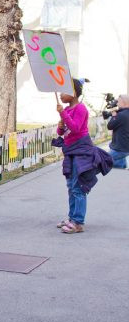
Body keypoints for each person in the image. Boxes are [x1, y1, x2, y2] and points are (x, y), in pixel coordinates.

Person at [53, 78, 112, 234]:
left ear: (73, 93)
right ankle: (72, 218)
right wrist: (60, 127)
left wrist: (62, 113)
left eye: (63, 91)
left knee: (78, 187)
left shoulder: (80, 109)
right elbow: (64, 131)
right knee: (70, 186)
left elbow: (75, 127)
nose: (60, 94)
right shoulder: (67, 110)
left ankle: (78, 222)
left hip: (81, 152)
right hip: (70, 152)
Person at [107, 94, 129, 169]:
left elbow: (109, 126)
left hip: (119, 149)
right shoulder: (125, 114)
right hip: (125, 148)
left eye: (118, 102)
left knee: (103, 159)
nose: (117, 104)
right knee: (121, 169)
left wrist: (113, 115)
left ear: (124, 102)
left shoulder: (121, 115)